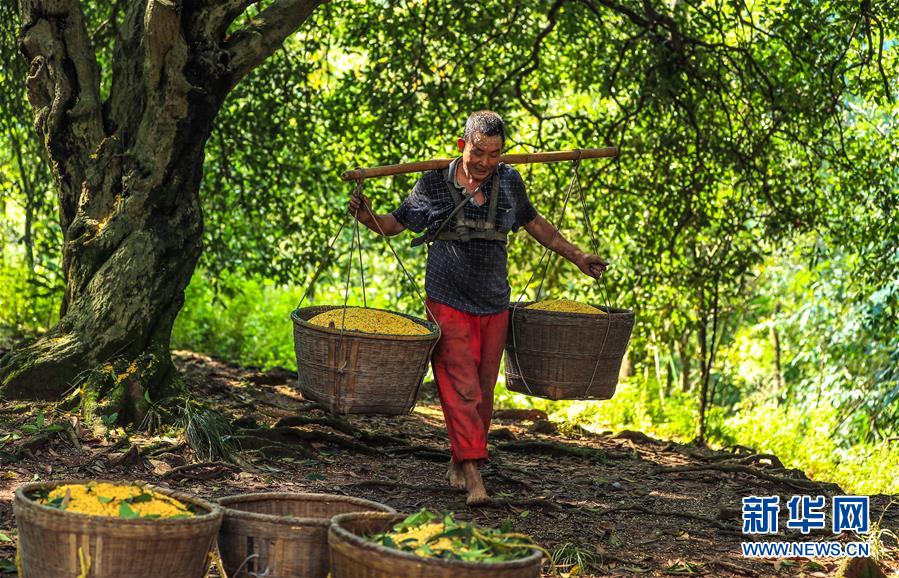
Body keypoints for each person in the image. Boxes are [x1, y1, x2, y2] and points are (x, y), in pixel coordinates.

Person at [348, 110, 607, 505]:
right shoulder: (434, 183)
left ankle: (460, 458)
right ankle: (473, 475)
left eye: (495, 153)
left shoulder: (508, 181)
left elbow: (536, 224)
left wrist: (577, 255)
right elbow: (396, 224)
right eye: (478, 152)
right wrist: (367, 217)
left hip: (493, 300)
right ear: (461, 146)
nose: (486, 161)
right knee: (460, 387)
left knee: (483, 392)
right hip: (447, 297)